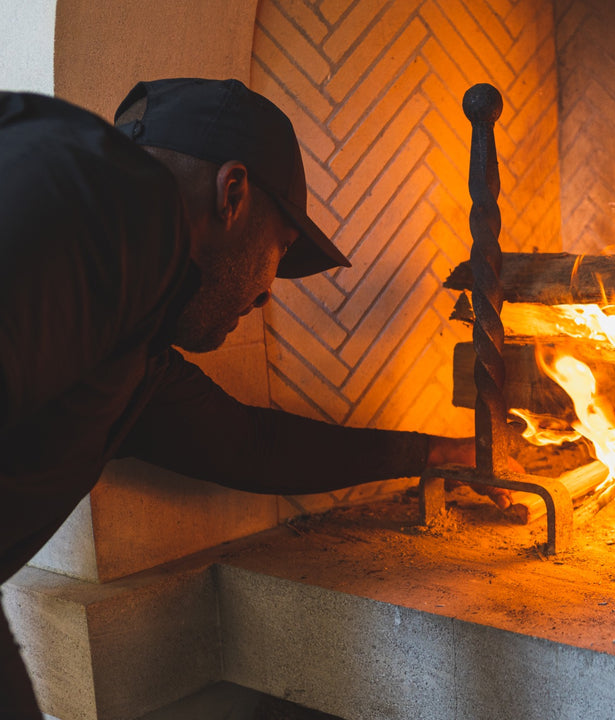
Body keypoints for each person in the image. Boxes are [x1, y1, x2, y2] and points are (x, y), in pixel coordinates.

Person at [0, 78, 506, 718]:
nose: (267, 292)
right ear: (232, 194)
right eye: (281, 248)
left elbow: (250, 446)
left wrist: (441, 453)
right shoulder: (88, 201)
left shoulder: (131, 335)